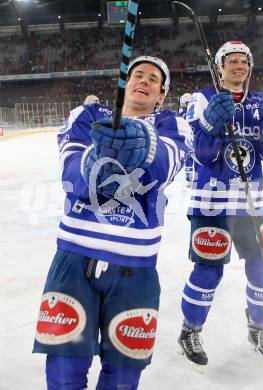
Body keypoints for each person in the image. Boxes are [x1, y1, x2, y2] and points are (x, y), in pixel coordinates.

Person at [33, 56, 192, 390]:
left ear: (161, 96)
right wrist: (92, 164)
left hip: (134, 270)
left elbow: (165, 165)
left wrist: (142, 143)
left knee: (123, 378)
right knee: (62, 373)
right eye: (137, 75)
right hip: (73, 262)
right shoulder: (88, 116)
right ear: (123, 85)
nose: (144, 81)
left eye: (153, 79)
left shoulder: (171, 125)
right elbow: (71, 172)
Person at [177, 41, 263, 367]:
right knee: (208, 270)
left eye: (244, 61)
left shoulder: (259, 101)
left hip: (251, 201)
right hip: (212, 202)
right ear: (219, 66)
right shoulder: (202, 99)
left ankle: (258, 328)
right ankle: (190, 330)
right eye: (232, 60)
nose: (239, 65)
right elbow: (200, 154)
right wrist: (211, 125)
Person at [178, 93, 194, 187]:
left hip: (187, 138)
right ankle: (191, 179)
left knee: (189, 160)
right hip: (193, 137)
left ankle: (189, 180)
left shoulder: (180, 113)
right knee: (191, 159)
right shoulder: (194, 111)